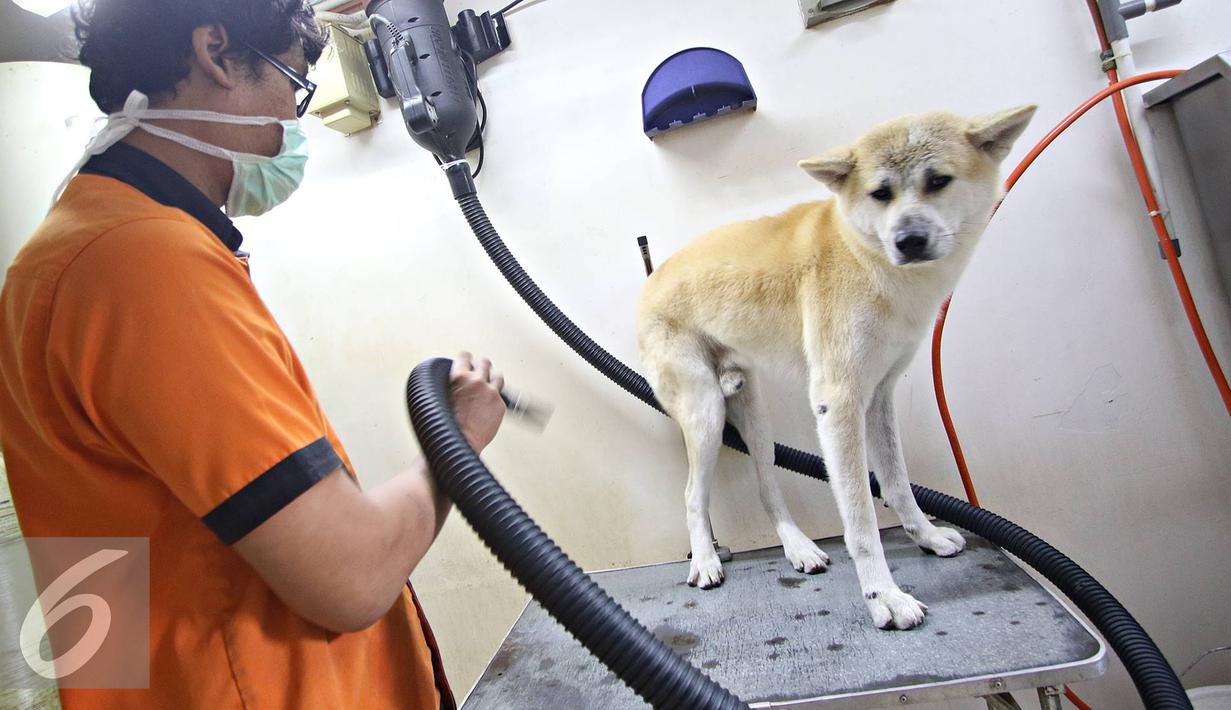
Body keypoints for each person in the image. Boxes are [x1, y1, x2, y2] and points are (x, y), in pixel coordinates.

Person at [0, 1, 505, 708]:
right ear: (214, 52)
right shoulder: (141, 263)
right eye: (292, 82)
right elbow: (351, 575)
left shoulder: (63, 257)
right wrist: (457, 444)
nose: (292, 124)